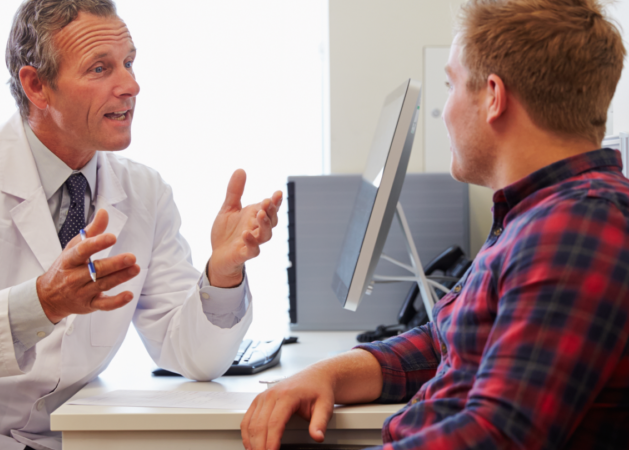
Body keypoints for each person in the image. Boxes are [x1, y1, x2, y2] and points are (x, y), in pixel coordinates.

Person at [0, 1, 282, 449]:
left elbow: (193, 357)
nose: (131, 85)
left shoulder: (145, 193)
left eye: (128, 62)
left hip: (48, 440)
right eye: (100, 68)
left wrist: (222, 275)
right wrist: (40, 304)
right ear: (36, 86)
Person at [241, 0, 629, 449]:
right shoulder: (534, 215)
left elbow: (496, 437)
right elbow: (444, 341)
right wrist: (327, 373)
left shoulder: (577, 225)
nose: (444, 112)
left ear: (494, 97)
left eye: (451, 85)